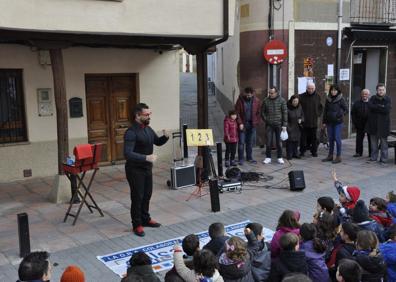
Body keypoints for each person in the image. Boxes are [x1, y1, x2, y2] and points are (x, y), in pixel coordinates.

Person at [124, 103, 169, 237]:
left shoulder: (148, 129)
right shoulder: (131, 132)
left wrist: (165, 137)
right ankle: (137, 224)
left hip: (146, 168)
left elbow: (157, 142)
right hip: (135, 170)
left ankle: (145, 219)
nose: (149, 116)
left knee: (147, 194)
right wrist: (146, 157)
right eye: (146, 114)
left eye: (150, 114)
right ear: (138, 115)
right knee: (138, 197)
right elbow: (127, 153)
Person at [235, 87, 262, 165]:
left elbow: (259, 113)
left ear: (252, 94)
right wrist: (240, 123)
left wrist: (256, 122)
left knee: (249, 142)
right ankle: (241, 159)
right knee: (241, 142)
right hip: (243, 124)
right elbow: (237, 113)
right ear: (244, 93)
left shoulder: (257, 101)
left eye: (249, 95)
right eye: (246, 95)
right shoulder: (240, 100)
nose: (248, 97)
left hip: (252, 124)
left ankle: (249, 157)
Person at [261, 86, 288, 164]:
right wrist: (266, 120)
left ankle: (279, 157)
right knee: (268, 142)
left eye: (272, 93)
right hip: (269, 124)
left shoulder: (282, 100)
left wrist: (284, 125)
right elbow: (262, 112)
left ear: (276, 92)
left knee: (279, 142)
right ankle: (268, 157)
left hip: (279, 125)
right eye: (269, 93)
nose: (270, 94)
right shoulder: (265, 100)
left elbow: (285, 113)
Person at [322, 84, 348, 164]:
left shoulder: (341, 99)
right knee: (331, 139)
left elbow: (346, 109)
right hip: (329, 122)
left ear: (338, 91)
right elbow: (325, 111)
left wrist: (340, 114)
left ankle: (338, 156)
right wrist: (324, 122)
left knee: (337, 138)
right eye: (332, 90)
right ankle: (330, 155)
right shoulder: (328, 99)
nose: (333, 92)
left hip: (338, 122)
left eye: (335, 90)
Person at [367, 83, 391, 165]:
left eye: (382, 90)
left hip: (383, 125)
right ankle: (374, 158)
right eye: (379, 90)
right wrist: (381, 107)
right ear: (377, 90)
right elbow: (370, 106)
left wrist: (376, 107)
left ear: (385, 90)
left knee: (384, 144)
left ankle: (383, 160)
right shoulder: (373, 98)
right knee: (373, 144)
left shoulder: (388, 99)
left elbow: (386, 110)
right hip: (373, 124)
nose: (381, 91)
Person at [299, 82, 323, 158]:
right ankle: (302, 151)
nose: (310, 90)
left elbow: (320, 107)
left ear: (314, 88)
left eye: (312, 88)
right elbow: (299, 108)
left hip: (314, 121)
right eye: (309, 88)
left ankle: (314, 152)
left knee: (314, 138)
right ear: (306, 88)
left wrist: (317, 114)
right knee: (303, 138)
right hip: (304, 121)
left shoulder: (317, 96)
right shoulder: (301, 96)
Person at [351, 89, 371, 158]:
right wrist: (355, 123)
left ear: (368, 95)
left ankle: (371, 154)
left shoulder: (371, 103)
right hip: (359, 124)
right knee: (359, 139)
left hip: (369, 124)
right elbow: (353, 113)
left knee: (370, 139)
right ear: (361, 94)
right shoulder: (357, 103)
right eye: (363, 94)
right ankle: (358, 152)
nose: (364, 95)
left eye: (366, 94)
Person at [286, 94, 304, 160]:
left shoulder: (300, 107)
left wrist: (301, 120)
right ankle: (289, 154)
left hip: (297, 126)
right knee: (290, 141)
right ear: (291, 101)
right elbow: (285, 118)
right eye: (294, 101)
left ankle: (295, 153)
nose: (295, 103)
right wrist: (288, 127)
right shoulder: (287, 107)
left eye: (297, 101)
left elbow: (302, 115)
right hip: (290, 126)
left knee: (296, 141)